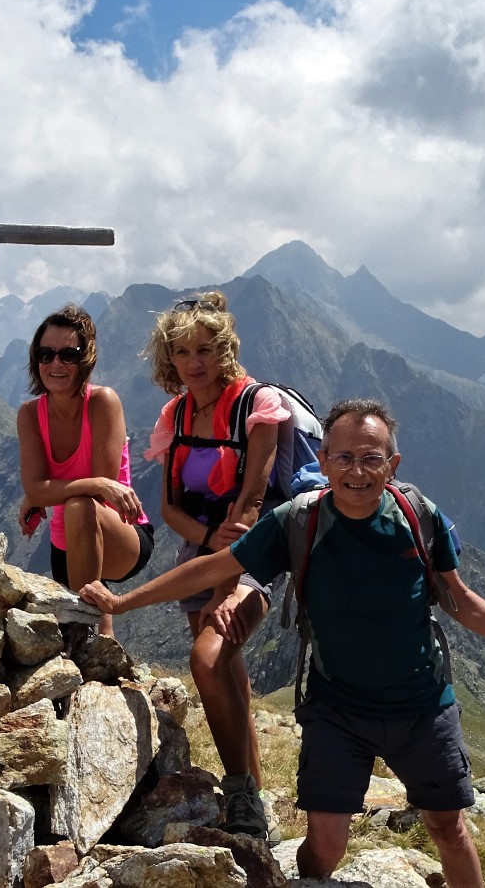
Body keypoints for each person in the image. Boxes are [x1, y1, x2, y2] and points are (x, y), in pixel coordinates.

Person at [82, 398, 485, 886]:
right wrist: (125, 603)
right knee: (326, 845)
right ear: (323, 461)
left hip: (422, 707)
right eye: (343, 457)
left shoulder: (418, 517)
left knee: (448, 826)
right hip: (338, 710)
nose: (356, 471)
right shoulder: (298, 521)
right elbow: (216, 566)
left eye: (370, 458)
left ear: (392, 464)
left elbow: (458, 599)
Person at [139, 291, 290, 838]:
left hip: (253, 552)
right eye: (181, 352)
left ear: (224, 349)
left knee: (206, 660)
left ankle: (242, 795)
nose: (193, 362)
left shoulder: (259, 406)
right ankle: (260, 802)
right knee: (226, 669)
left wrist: (227, 590)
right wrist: (205, 541)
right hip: (197, 549)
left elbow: (251, 504)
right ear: (169, 358)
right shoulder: (175, 415)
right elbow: (168, 508)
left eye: (204, 349)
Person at [16, 304, 153, 637]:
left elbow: (94, 494)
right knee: (84, 629)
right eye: (46, 355)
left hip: (122, 533)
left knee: (80, 506)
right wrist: (40, 493)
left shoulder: (103, 402)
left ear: (85, 358)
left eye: (68, 355)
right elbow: (38, 488)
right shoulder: (31, 415)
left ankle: (98, 656)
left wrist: (47, 491)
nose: (56, 364)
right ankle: (100, 664)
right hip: (64, 543)